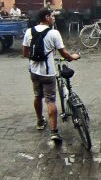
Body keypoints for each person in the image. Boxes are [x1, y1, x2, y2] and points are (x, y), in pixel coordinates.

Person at [22, 8, 80, 141]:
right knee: (50, 100)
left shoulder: (29, 31)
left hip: (34, 71)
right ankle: (54, 131)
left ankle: (40, 122)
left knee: (37, 96)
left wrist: (36, 58)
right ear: (47, 17)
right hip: (48, 74)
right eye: (52, 16)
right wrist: (73, 57)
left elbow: (25, 53)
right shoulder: (54, 33)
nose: (54, 18)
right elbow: (64, 54)